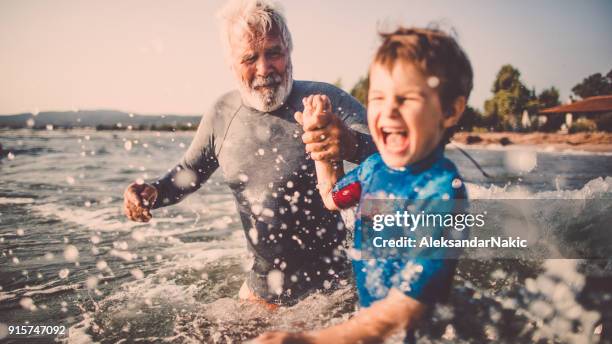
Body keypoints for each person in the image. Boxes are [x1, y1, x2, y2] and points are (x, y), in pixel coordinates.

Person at [122, 0, 375, 307]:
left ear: (289, 52)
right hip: (262, 296)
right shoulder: (221, 115)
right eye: (249, 58)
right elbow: (188, 174)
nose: (264, 69)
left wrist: (348, 143)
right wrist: (153, 192)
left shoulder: (324, 101)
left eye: (274, 53)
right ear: (231, 64)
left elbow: (392, 152)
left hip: (336, 294)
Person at [255, 26, 473, 343]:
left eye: (407, 98)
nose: (388, 110)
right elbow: (331, 197)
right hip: (369, 328)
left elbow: (408, 308)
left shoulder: (441, 191)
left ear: (451, 110)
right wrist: (319, 145)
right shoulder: (372, 169)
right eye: (378, 97)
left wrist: (314, 340)